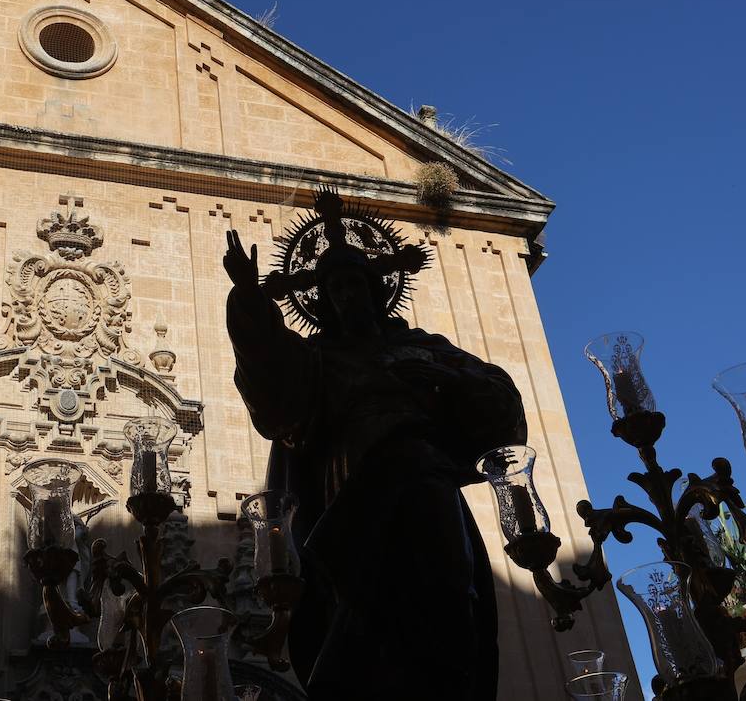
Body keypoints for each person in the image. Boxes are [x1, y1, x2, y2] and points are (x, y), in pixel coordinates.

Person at [222, 190, 526, 699]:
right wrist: (251, 298)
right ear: (322, 298)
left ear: (376, 287)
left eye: (354, 283)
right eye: (335, 287)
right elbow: (271, 383)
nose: (347, 295)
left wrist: (445, 380)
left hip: (425, 475)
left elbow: (500, 401)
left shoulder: (423, 347)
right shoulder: (317, 359)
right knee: (362, 603)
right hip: (349, 489)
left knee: (451, 588)